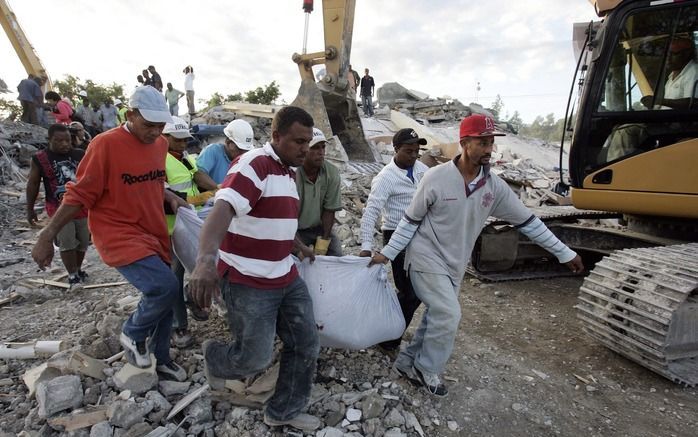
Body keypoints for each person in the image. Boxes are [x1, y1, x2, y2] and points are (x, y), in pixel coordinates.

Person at [369, 114, 584, 396]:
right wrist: (387, 254)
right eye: (482, 143)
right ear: (464, 143)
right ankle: (427, 368)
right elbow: (409, 221)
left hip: (455, 264)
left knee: (438, 314)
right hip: (424, 257)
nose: (488, 149)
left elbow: (528, 222)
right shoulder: (435, 178)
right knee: (448, 313)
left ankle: (407, 362)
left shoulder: (493, 188)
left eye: (491, 143)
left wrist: (564, 253)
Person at [31, 86, 188, 382]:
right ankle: (132, 333)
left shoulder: (160, 145)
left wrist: (168, 195)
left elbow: (152, 181)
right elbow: (80, 194)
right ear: (130, 115)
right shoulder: (105, 145)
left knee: (165, 299)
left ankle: (161, 359)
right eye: (148, 125)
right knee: (165, 287)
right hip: (117, 232)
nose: (155, 132)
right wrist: (46, 235)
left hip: (153, 232)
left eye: (160, 126)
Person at [189, 106, 321, 432]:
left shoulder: (287, 171)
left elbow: (271, 220)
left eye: (309, 141)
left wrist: (297, 246)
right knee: (255, 359)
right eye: (298, 141)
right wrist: (206, 260)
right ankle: (214, 357)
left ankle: (283, 410)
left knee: (305, 342)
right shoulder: (253, 165)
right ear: (276, 137)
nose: (305, 148)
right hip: (249, 281)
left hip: (284, 276)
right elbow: (222, 210)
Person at [359, 128, 430, 354]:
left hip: (422, 236)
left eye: (417, 151)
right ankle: (388, 336)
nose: (413, 156)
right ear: (396, 149)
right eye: (408, 151)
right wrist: (365, 247)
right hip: (396, 235)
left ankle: (389, 329)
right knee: (410, 292)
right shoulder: (386, 178)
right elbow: (371, 212)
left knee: (417, 291)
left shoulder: (423, 171)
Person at [162, 116, 218, 348]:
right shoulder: (158, 160)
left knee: (199, 265)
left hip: (191, 223)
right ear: (164, 137)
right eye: (178, 139)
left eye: (186, 139)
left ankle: (192, 297)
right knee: (173, 278)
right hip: (170, 227)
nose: (184, 143)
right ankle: (178, 326)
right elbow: (161, 197)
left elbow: (196, 175)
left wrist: (216, 188)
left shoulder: (182, 157)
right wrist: (196, 198)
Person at [606, 37, 698, 161]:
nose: (668, 58)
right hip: (664, 122)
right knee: (617, 127)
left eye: (673, 54)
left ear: (687, 54)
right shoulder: (672, 75)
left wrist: (658, 101)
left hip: (677, 127)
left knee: (626, 131)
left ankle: (615, 170)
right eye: (667, 54)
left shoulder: (693, 72)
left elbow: (693, 103)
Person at [26, 124, 90, 289]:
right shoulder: (40, 159)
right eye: (59, 141)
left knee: (83, 241)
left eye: (67, 140)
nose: (64, 144)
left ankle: (79, 268)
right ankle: (72, 275)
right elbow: (32, 184)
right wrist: (30, 208)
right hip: (57, 208)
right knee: (67, 241)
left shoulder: (79, 154)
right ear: (49, 140)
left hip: (81, 206)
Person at [295, 128, 343, 256]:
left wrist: (324, 242)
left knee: (336, 255)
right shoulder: (293, 173)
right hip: (294, 229)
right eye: (315, 148)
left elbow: (329, 210)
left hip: (318, 228)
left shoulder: (331, 173)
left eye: (323, 147)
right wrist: (298, 247)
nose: (321, 152)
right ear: (305, 150)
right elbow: (286, 216)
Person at [195, 119, 254, 184]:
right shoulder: (213, 151)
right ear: (228, 142)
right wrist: (218, 188)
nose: (242, 154)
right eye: (239, 149)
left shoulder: (246, 158)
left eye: (245, 151)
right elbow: (198, 175)